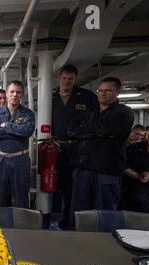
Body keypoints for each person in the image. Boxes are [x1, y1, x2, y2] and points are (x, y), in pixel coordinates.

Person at [68, 77, 134, 218]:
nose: (103, 94)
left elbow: (107, 131)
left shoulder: (123, 112)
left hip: (106, 169)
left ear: (116, 93)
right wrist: (97, 132)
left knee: (105, 211)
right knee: (79, 210)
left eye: (108, 91)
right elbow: (72, 131)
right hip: (83, 167)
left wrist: (86, 129)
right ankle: (79, 238)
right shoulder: (89, 112)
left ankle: (104, 238)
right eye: (100, 90)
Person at [51, 64, 98, 229]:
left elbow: (94, 121)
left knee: (78, 187)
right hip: (57, 147)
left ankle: (76, 220)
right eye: (64, 78)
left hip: (80, 148)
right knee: (57, 184)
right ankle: (60, 216)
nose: (67, 81)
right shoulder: (51, 97)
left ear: (75, 79)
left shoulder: (86, 96)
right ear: (60, 78)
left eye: (70, 79)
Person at [0, 80, 35, 208]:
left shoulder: (28, 114)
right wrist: (16, 130)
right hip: (0, 159)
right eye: (12, 92)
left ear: (22, 94)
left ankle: (22, 225)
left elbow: (28, 131)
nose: (14, 95)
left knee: (21, 197)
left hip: (20, 159)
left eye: (18, 92)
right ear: (7, 93)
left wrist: (7, 126)